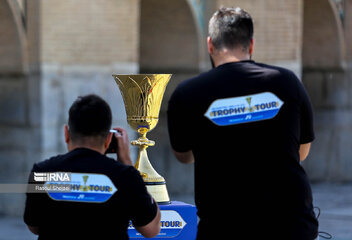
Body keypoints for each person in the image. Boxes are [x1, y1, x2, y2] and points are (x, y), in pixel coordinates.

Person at [167, 7, 319, 240]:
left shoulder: (188, 93)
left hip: (224, 228)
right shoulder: (287, 82)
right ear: (251, 45)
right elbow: (302, 151)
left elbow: (184, 155)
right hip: (291, 226)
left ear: (210, 44)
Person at [24, 94, 160, 240]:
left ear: (66, 134)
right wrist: (126, 162)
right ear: (108, 139)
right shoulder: (126, 176)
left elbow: (34, 226)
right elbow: (151, 229)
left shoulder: (42, 172)